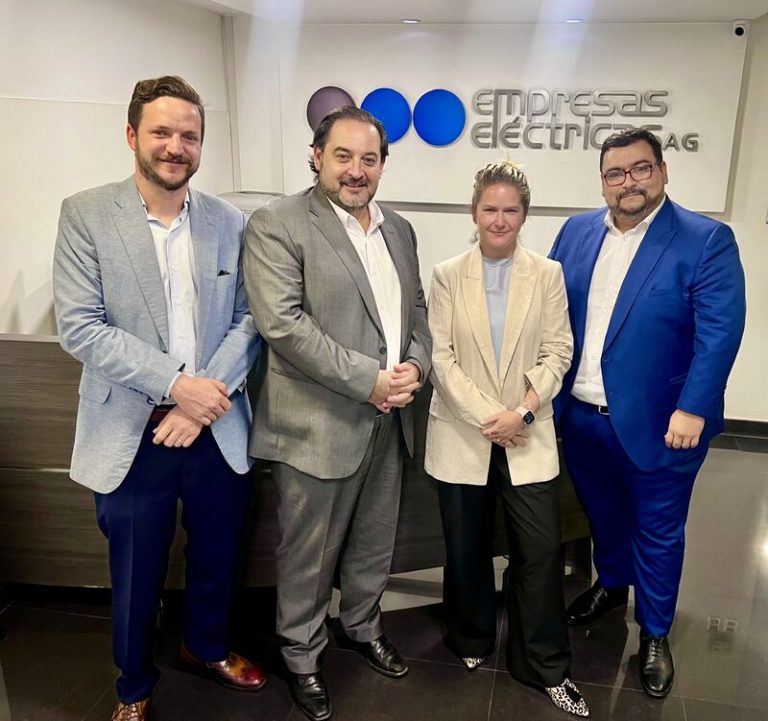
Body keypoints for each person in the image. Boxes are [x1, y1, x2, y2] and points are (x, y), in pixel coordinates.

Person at [53, 76, 264, 721]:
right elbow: (81, 326)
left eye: (189, 136)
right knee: (136, 568)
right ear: (131, 136)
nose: (176, 147)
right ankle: (133, 684)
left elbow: (249, 320)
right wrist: (177, 387)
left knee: (218, 554)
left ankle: (206, 646)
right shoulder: (86, 214)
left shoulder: (230, 222)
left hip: (216, 425)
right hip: (131, 426)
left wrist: (203, 401)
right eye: (162, 133)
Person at [244, 106, 431, 721]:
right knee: (309, 552)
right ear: (316, 155)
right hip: (317, 423)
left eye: (368, 159)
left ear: (383, 164)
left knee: (375, 539)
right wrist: (369, 380)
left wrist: (416, 366)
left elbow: (417, 312)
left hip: (390, 417)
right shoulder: (277, 223)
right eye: (343, 156)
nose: (356, 170)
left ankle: (362, 623)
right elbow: (283, 324)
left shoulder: (399, 229)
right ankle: (301, 654)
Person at [549, 127, 746, 698]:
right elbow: (551, 312)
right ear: (602, 182)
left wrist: (693, 408)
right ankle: (612, 585)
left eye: (640, 169)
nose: (628, 182)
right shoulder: (577, 232)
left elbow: (720, 333)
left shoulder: (705, 239)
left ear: (662, 171)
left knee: (658, 532)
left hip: (665, 425)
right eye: (615, 173)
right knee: (601, 513)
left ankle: (655, 631)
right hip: (581, 416)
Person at [425, 161, 588, 717]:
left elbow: (558, 351)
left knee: (539, 552)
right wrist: (491, 416)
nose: (500, 220)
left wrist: (520, 412)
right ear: (474, 212)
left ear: (525, 215)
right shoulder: (447, 274)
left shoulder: (547, 274)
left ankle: (545, 665)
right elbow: (441, 358)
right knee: (465, 547)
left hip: (527, 431)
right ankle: (469, 637)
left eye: (510, 210)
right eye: (490, 209)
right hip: (463, 431)